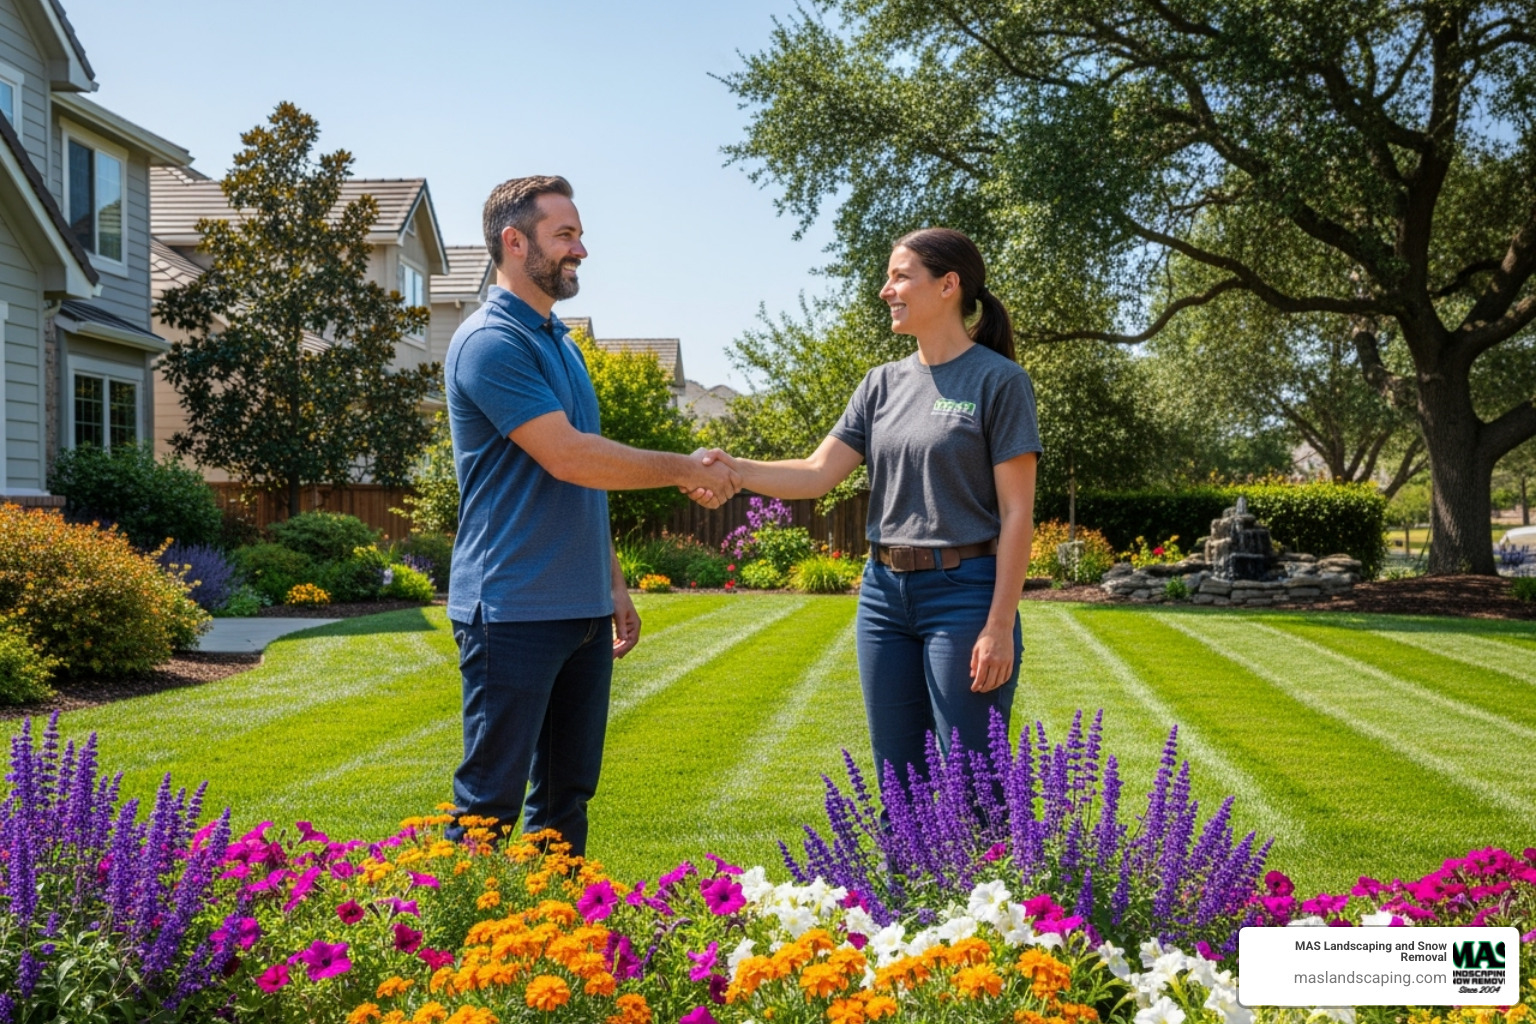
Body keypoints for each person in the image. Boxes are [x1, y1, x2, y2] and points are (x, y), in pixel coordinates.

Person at [444, 175, 739, 855]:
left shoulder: (562, 343)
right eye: (565, 235)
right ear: (515, 242)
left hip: (578, 607)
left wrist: (610, 583)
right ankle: (452, 922)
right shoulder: (490, 341)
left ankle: (553, 921)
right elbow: (569, 457)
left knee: (566, 796)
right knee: (488, 803)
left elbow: (587, 480)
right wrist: (684, 468)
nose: (581, 249)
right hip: (511, 608)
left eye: (578, 234)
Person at [699, 227, 1040, 793]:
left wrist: (999, 625)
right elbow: (816, 473)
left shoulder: (998, 381)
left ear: (948, 285)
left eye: (900, 276)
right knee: (900, 789)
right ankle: (902, 860)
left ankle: (985, 856)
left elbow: (1018, 514)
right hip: (883, 598)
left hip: (965, 598)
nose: (886, 290)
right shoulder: (880, 385)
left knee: (974, 788)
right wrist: (734, 470)